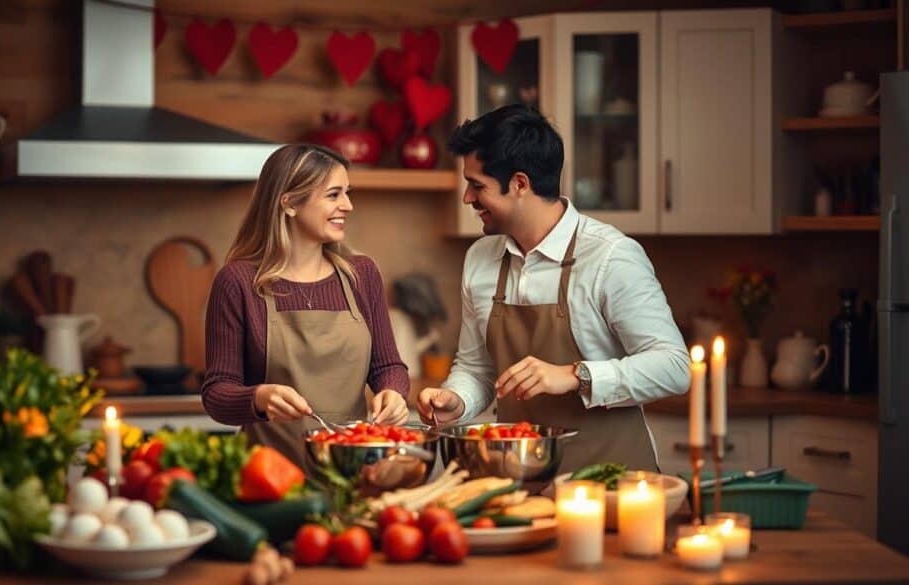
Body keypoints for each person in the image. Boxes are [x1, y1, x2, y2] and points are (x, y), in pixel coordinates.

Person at [416, 105, 689, 472]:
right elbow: (477, 367)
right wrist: (456, 400)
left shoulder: (611, 257)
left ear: (520, 184)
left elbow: (673, 367)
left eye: (477, 185)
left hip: (615, 486)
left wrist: (575, 375)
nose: (467, 198)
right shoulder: (481, 258)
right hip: (522, 483)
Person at [202, 144, 410, 472]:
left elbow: (388, 366)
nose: (348, 205)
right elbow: (217, 394)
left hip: (353, 473)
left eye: (347, 193)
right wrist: (257, 398)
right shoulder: (238, 282)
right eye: (333, 194)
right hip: (270, 481)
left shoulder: (362, 274)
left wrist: (393, 393)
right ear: (289, 203)